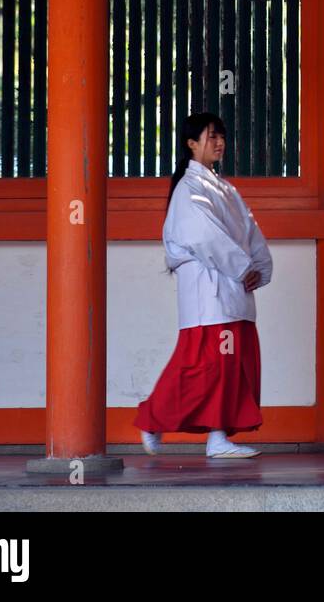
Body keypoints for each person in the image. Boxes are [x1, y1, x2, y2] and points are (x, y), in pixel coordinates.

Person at [134, 112, 273, 459]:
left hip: (233, 289)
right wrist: (243, 268)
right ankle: (153, 419)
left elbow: (250, 230)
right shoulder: (189, 188)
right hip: (208, 291)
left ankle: (218, 436)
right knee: (202, 367)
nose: (219, 142)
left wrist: (258, 267)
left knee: (230, 367)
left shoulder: (225, 188)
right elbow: (203, 235)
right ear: (191, 143)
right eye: (210, 136)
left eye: (221, 136)